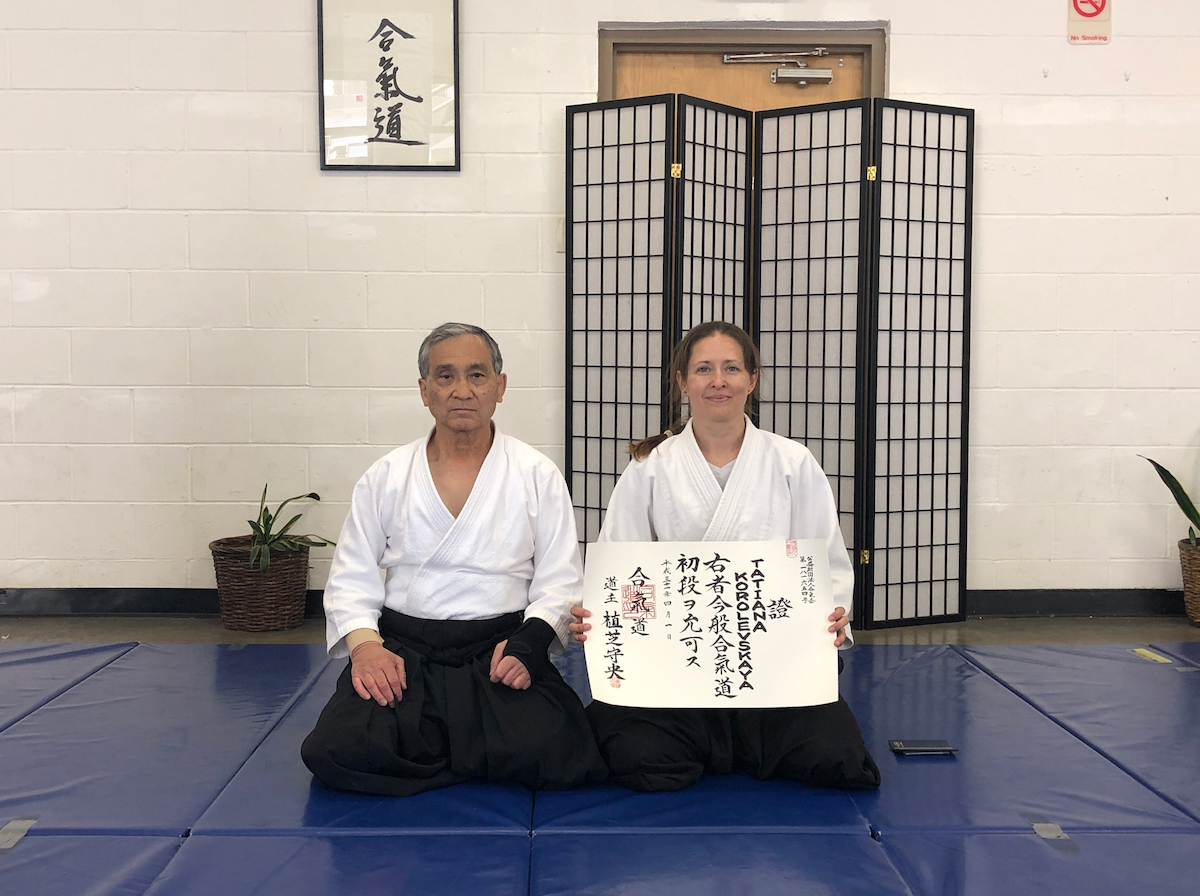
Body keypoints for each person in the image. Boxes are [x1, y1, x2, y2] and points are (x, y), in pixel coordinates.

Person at [571, 320, 880, 793]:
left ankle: (734, 740)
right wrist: (609, 619)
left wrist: (833, 615)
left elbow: (825, 563)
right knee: (634, 754)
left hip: (772, 665)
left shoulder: (792, 462)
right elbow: (624, 567)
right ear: (682, 381)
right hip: (678, 664)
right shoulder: (650, 468)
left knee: (837, 758)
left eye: (732, 368)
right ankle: (733, 743)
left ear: (752, 379)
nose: (719, 381)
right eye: (704, 369)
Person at [301, 322, 607, 797]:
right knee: (336, 748)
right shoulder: (386, 476)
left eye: (477, 375)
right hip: (405, 652)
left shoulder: (536, 474)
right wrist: (366, 649)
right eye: (445, 376)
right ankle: (474, 751)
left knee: (563, 749)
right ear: (424, 390)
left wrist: (529, 646)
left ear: (500, 387)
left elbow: (561, 580)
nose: (462, 390)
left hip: (500, 650)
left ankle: (438, 750)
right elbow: (351, 579)